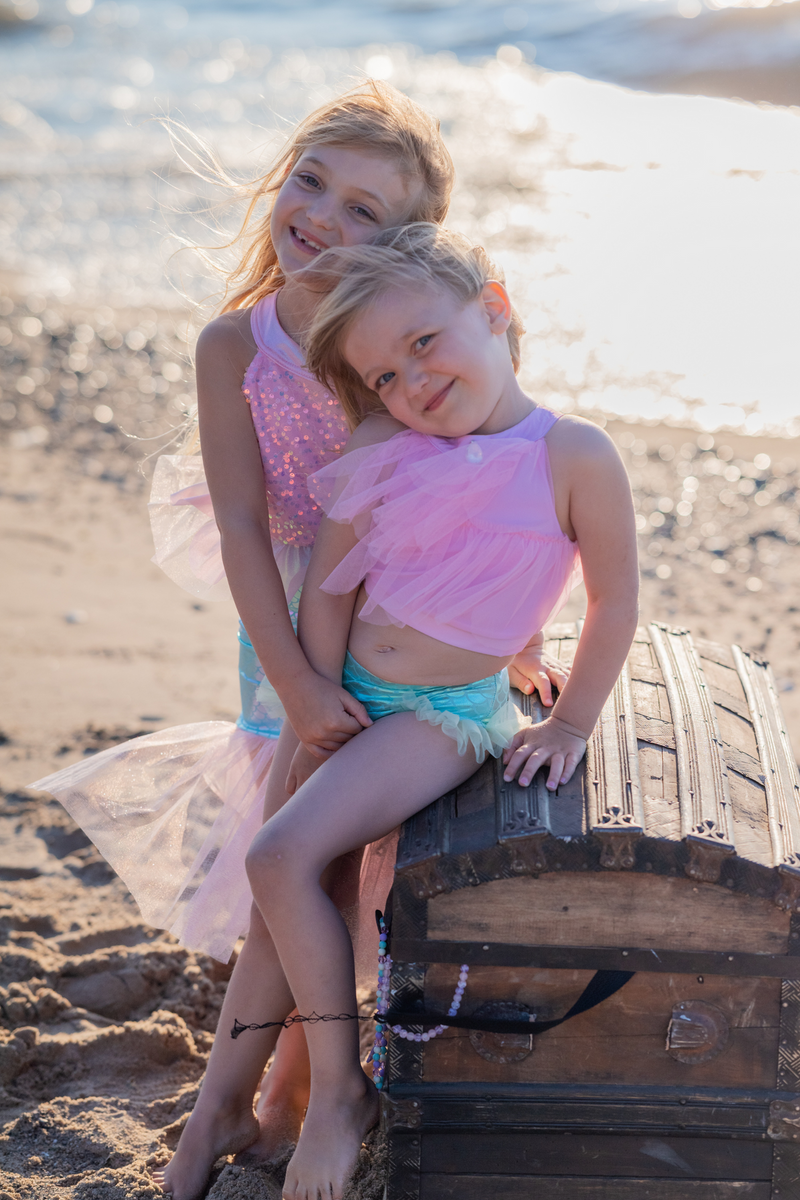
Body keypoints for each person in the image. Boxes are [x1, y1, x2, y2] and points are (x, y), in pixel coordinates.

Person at [30, 86, 564, 1199]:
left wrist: (514, 639)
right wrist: (289, 672)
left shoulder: (398, 353)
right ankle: (248, 1100)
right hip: (288, 623)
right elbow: (234, 523)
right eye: (309, 179)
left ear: (409, 245)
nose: (318, 212)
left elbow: (492, 497)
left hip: (408, 641)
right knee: (288, 861)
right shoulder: (236, 343)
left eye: (361, 207)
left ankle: (277, 1098)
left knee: (336, 862)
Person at [228, 222, 640, 1200]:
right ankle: (241, 1099)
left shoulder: (572, 455)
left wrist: (570, 723)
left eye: (424, 342)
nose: (409, 382)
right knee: (287, 879)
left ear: (494, 309)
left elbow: (615, 600)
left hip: (439, 716)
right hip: (350, 701)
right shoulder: (390, 442)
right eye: (381, 375)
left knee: (277, 858)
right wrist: (311, 708)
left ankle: (338, 1093)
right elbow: (331, 589)